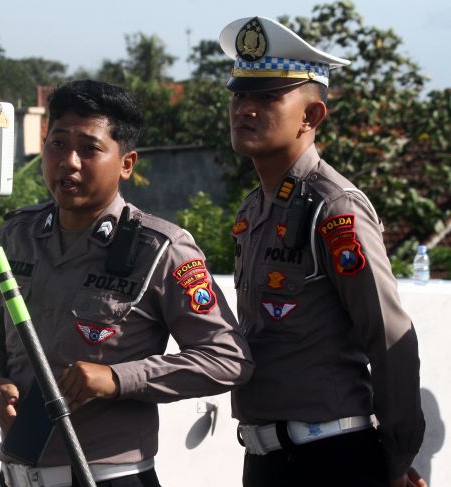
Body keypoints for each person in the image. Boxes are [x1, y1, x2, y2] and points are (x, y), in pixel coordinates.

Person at [0, 79, 253, 487]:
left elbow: (227, 359)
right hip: (15, 474)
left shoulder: (162, 249)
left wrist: (118, 379)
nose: (69, 162)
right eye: (58, 144)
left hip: (109, 476)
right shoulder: (15, 237)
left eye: (89, 148)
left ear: (126, 163)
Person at [218, 16, 427, 487]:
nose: (245, 109)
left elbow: (390, 336)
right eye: (239, 94)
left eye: (267, 97)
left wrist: (394, 458)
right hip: (268, 459)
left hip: (330, 459)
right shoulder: (255, 207)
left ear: (311, 117)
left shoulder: (334, 207)